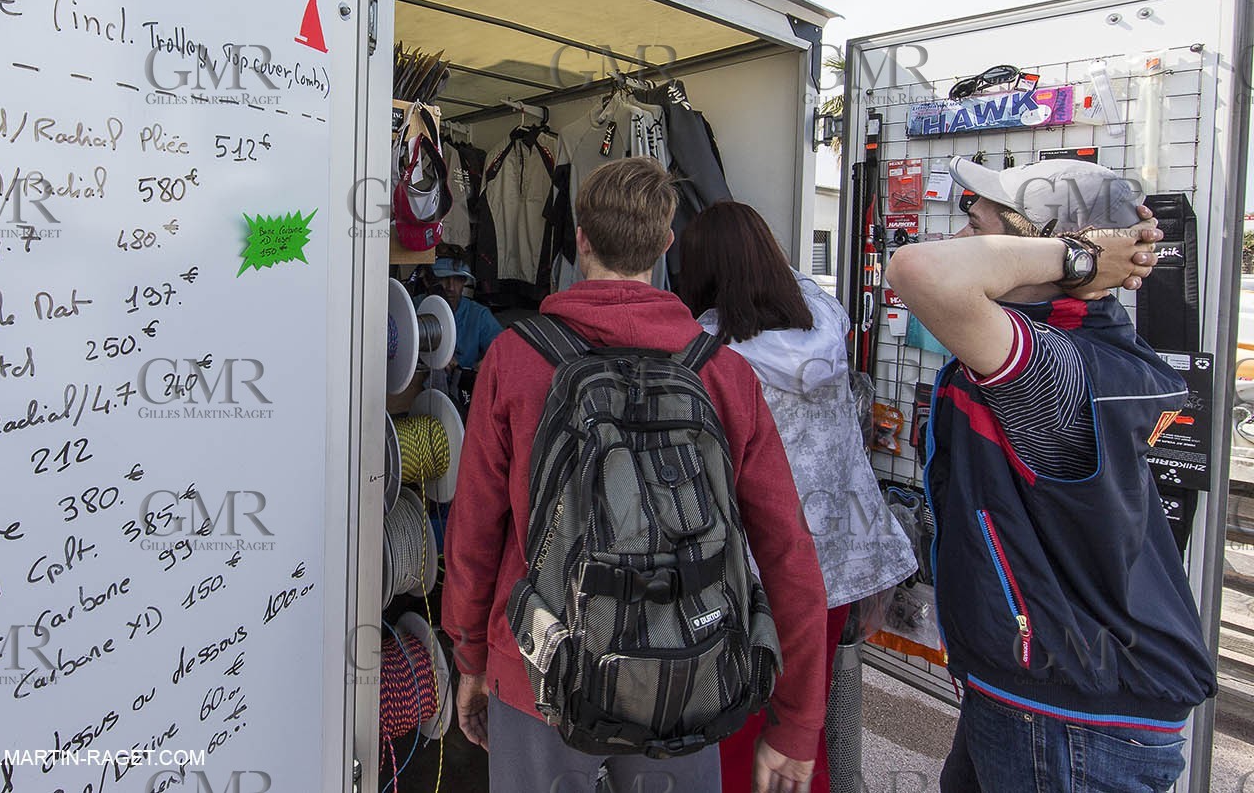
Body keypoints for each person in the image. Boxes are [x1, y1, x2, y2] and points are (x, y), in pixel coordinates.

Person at [443, 157, 827, 793]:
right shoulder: (723, 373)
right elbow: (788, 549)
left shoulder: (514, 359)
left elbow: (475, 532)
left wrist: (473, 660)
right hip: (688, 678)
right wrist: (796, 723)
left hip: (540, 672)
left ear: (580, 238)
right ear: (665, 244)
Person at [885, 157, 1215, 793]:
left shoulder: (1058, 366)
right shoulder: (1058, 342)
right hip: (1043, 693)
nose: (959, 243)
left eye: (977, 229)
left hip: (1071, 720)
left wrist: (1080, 259)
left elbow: (916, 271)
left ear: (1041, 246)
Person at [678, 201, 918, 793]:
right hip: (835, 563)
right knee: (802, 730)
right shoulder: (825, 317)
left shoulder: (708, 355)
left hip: (755, 572)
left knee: (736, 725)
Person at [427, 256, 503, 370]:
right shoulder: (414, 308)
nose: (451, 287)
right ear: (428, 282)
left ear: (464, 282)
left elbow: (503, 349)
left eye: (458, 279)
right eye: (443, 278)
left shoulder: (478, 315)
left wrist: (487, 364)